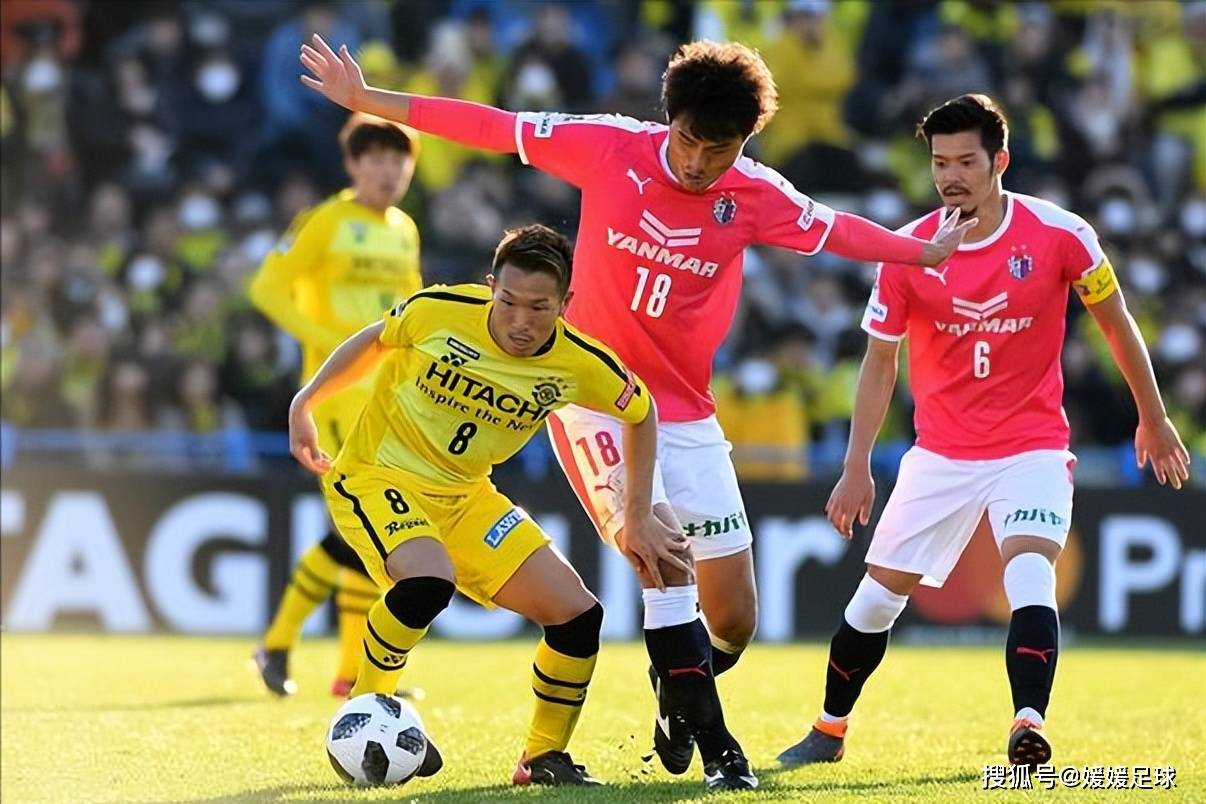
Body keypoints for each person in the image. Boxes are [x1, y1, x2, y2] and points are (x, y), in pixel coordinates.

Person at [297, 34, 977, 790]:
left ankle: (675, 693)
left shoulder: (754, 193)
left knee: (736, 620)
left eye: (717, 151)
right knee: (662, 560)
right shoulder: (609, 147)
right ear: (669, 121)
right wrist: (370, 101)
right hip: (593, 400)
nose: (696, 163)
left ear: (743, 144)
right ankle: (723, 755)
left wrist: (921, 254)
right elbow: (492, 124)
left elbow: (835, 230)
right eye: (687, 142)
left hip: (685, 412)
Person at [776, 94, 1192, 770]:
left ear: (999, 160)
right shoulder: (908, 250)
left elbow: (1116, 322)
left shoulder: (1060, 234)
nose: (951, 176)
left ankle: (1028, 724)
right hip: (939, 454)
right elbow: (881, 361)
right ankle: (828, 730)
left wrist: (1154, 416)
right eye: (940, 162)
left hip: (1031, 446)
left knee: (1030, 571)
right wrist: (857, 465)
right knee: (876, 600)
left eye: (966, 161)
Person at [289, 224, 688, 786]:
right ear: (490, 287)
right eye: (509, 302)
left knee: (578, 614)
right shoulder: (440, 309)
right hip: (380, 475)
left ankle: (543, 758)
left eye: (540, 308)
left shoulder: (580, 363)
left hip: (468, 497)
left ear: (566, 305)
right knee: (428, 582)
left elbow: (641, 412)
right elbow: (378, 339)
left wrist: (641, 512)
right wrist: (306, 402)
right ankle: (365, 712)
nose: (521, 321)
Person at [250, 112, 422, 698]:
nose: (388, 169)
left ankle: (324, 663)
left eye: (399, 160)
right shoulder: (324, 221)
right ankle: (326, 662)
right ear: (352, 164)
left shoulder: (405, 229)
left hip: (388, 399)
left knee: (367, 534)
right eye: (375, 158)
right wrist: (318, 337)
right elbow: (265, 287)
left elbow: (411, 312)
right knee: (363, 531)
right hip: (334, 396)